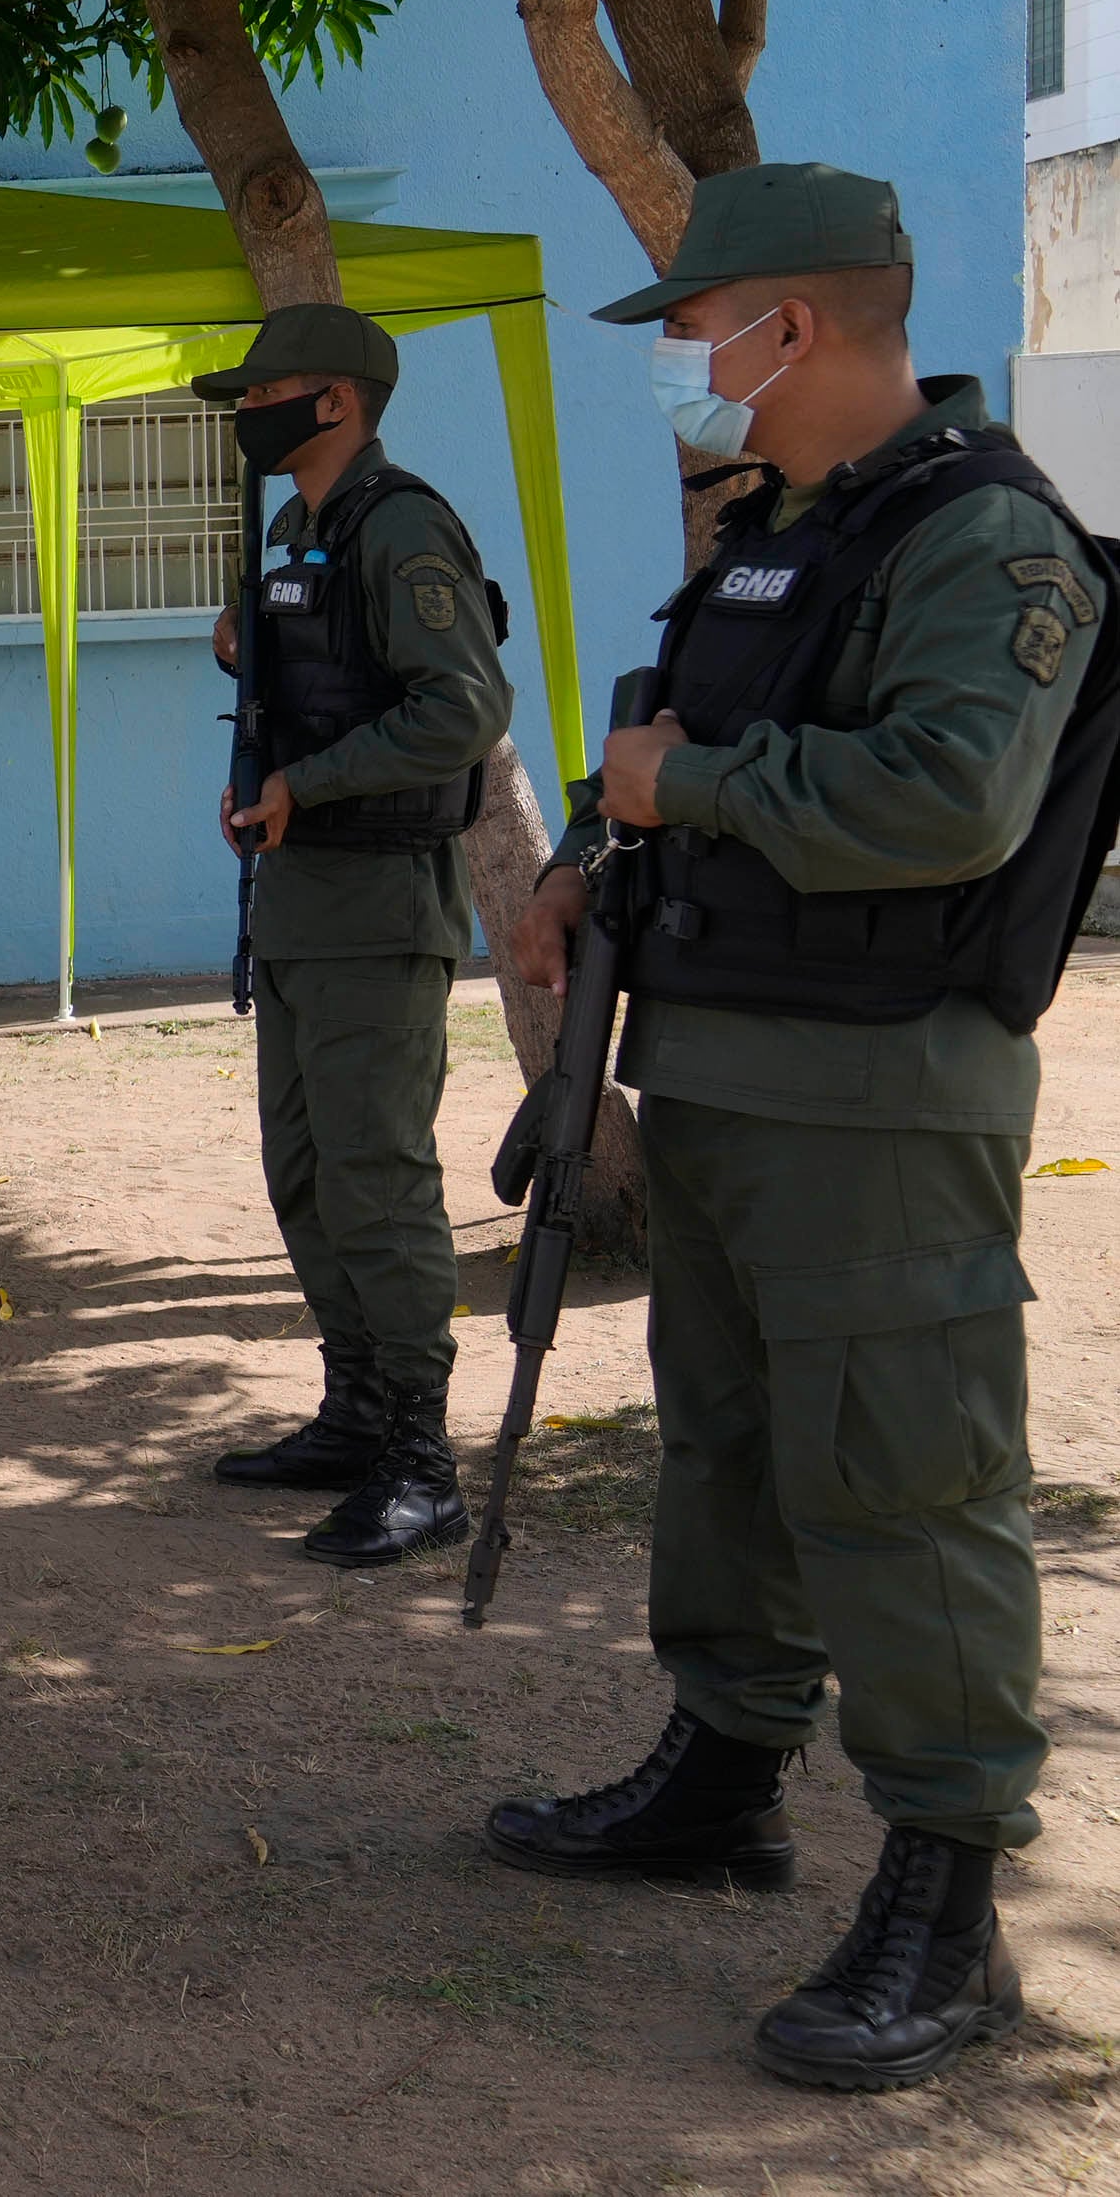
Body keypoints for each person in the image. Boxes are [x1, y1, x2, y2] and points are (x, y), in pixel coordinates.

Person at [483, 166, 1099, 2093]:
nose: (680, 360)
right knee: (734, 1443)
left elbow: (943, 798)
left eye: (692, 324)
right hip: (729, 1068)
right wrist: (598, 854)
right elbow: (673, 762)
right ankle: (725, 1768)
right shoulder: (785, 537)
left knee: (901, 1480)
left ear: (794, 326)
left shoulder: (988, 540)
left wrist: (686, 787)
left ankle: (945, 1894)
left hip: (876, 1091)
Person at [194, 303, 513, 1570]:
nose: (244, 412)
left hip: (380, 907)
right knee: (307, 1174)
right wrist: (249, 651)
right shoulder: (297, 529)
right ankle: (354, 1413)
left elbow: (463, 704)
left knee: (377, 1182)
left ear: (333, 398)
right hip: (301, 906)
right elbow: (324, 670)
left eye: (263, 392)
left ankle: (420, 1463)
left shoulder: (402, 524)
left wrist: (307, 780)